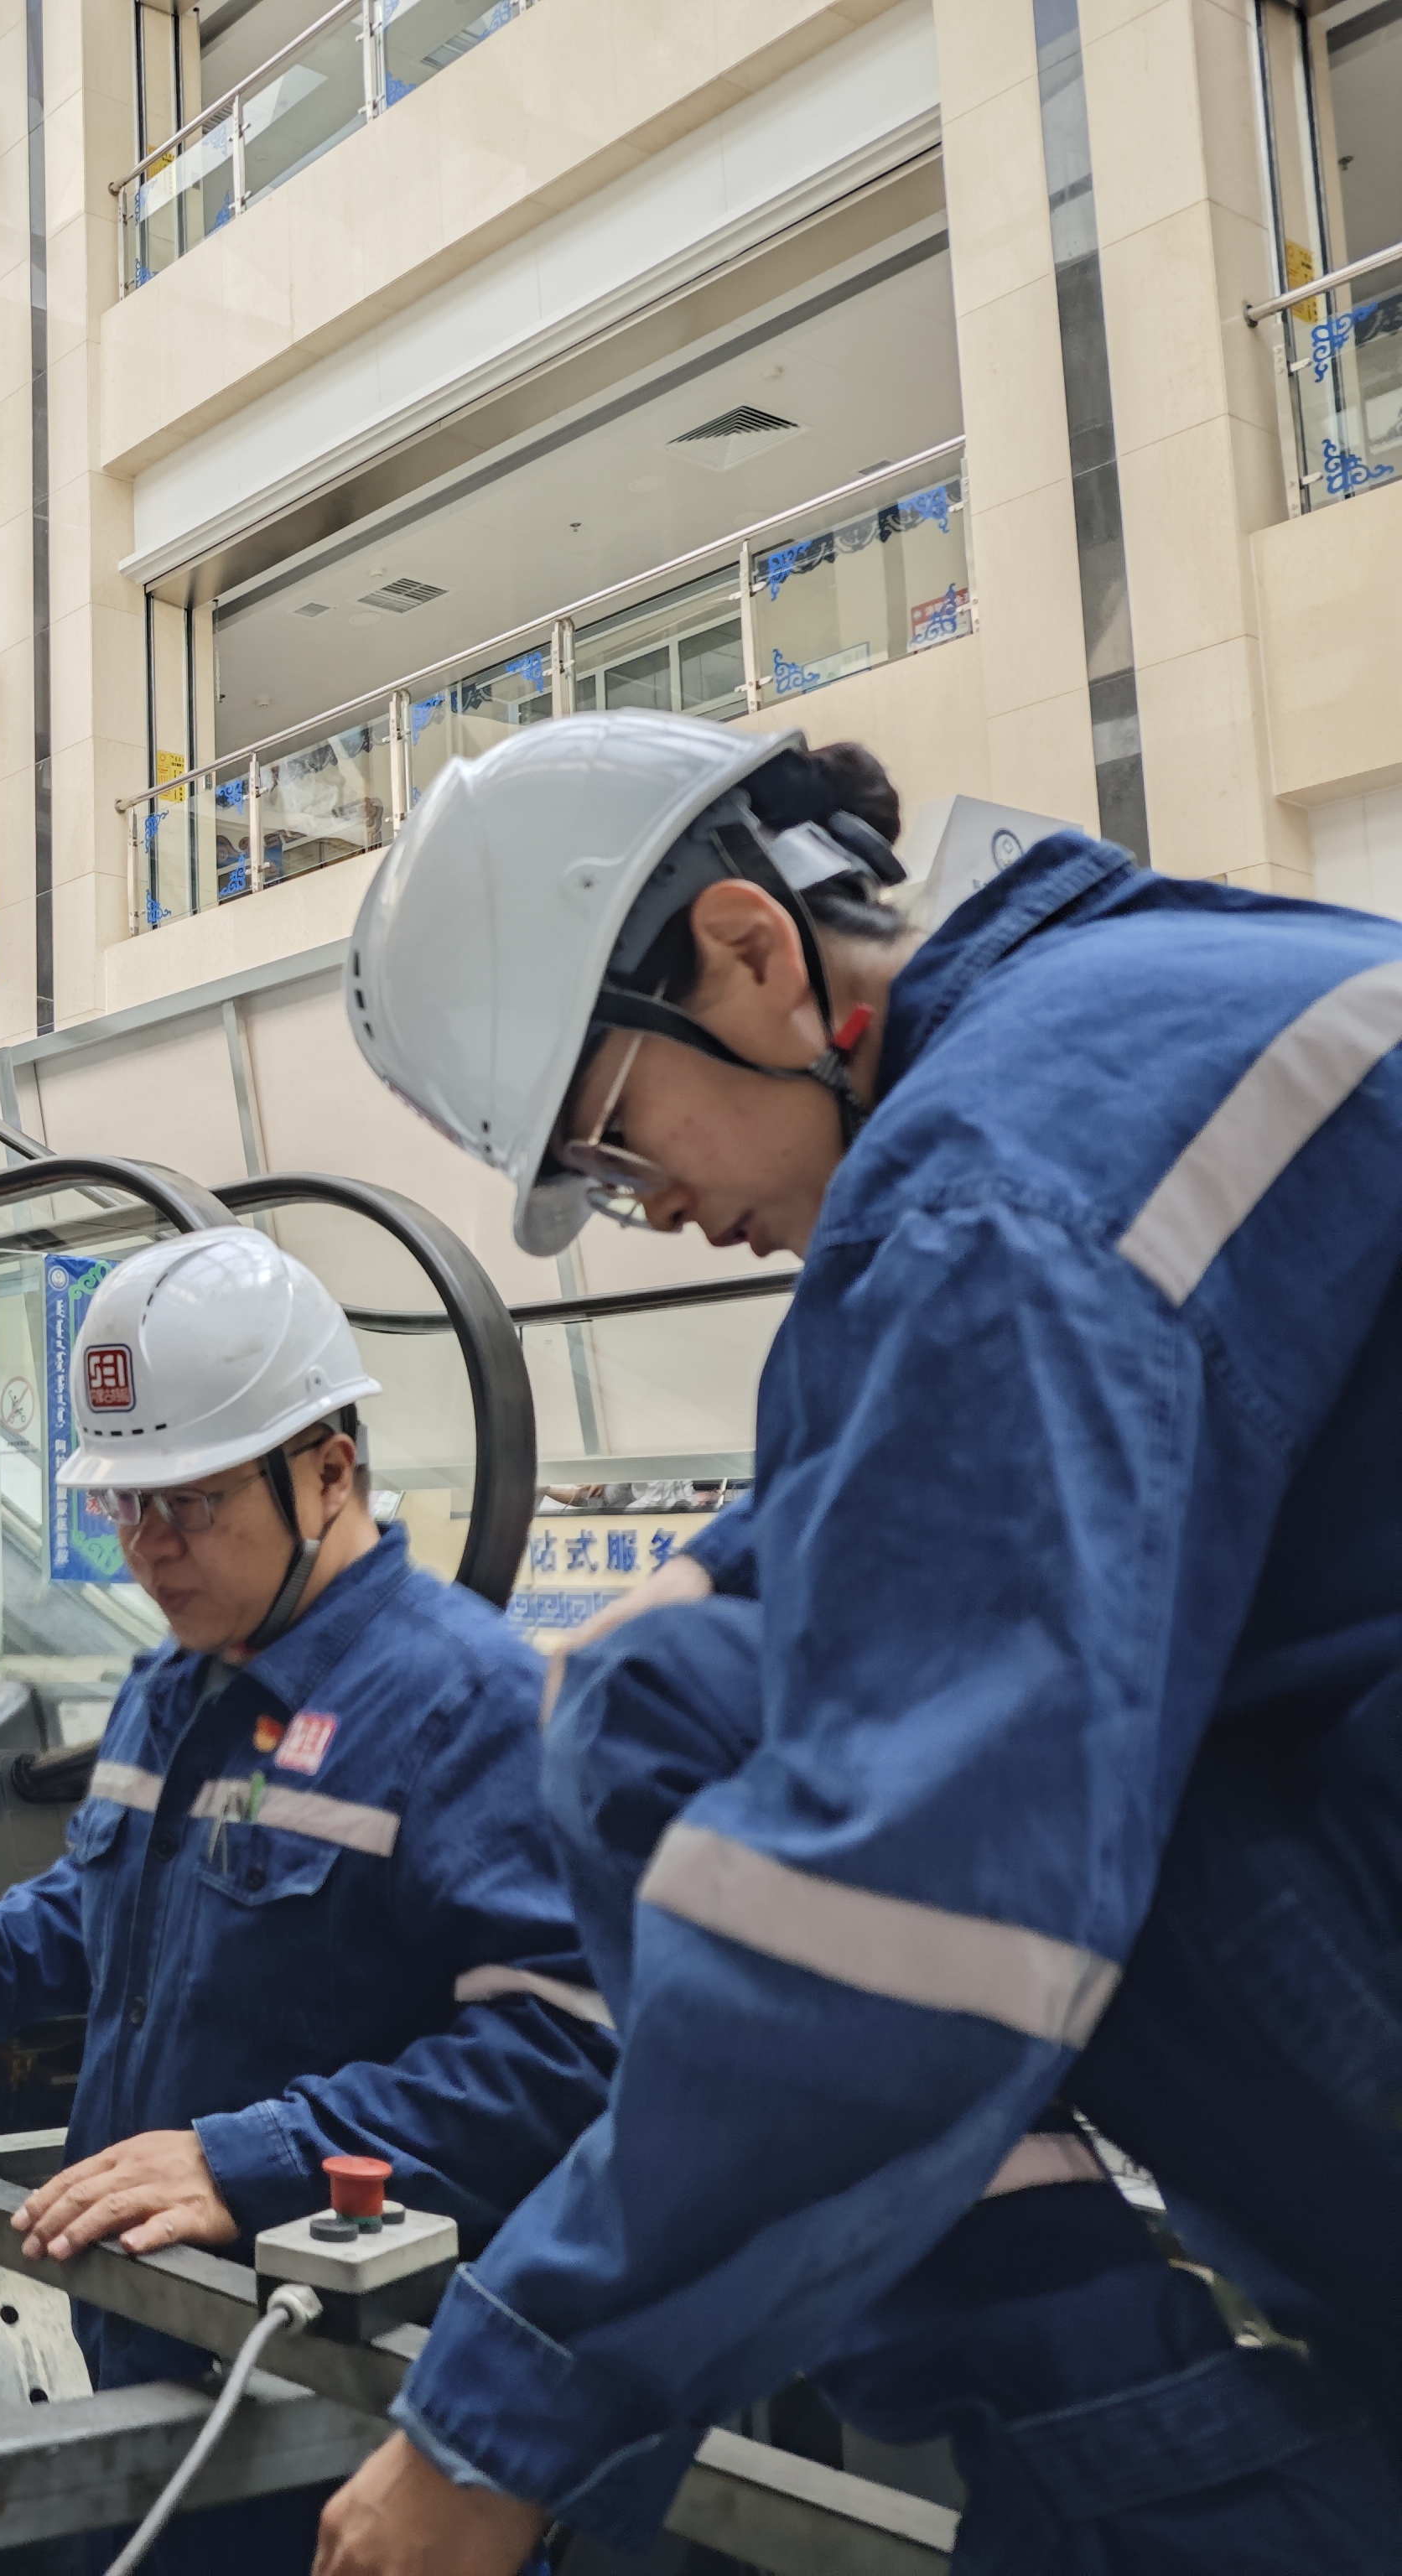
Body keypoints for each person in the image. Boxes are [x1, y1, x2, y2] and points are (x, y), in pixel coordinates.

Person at [315, 710, 1402, 2572]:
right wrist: (732, 1572)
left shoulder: (987, 1182)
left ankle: (1189, 2505)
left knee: (723, 1755)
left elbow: (918, 1889)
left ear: (747, 953)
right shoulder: (1151, 1011)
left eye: (606, 1131)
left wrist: (494, 2429)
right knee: (685, 1673)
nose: (642, 1207)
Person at [0, 1229, 617, 2573]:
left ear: (326, 1470)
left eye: (189, 1504)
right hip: (158, 2349)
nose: (149, 1548)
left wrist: (251, 2160)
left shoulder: (468, 1704)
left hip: (357, 2406)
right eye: (124, 1507)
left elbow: (567, 2060)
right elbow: (110, 1902)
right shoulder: (176, 1681)